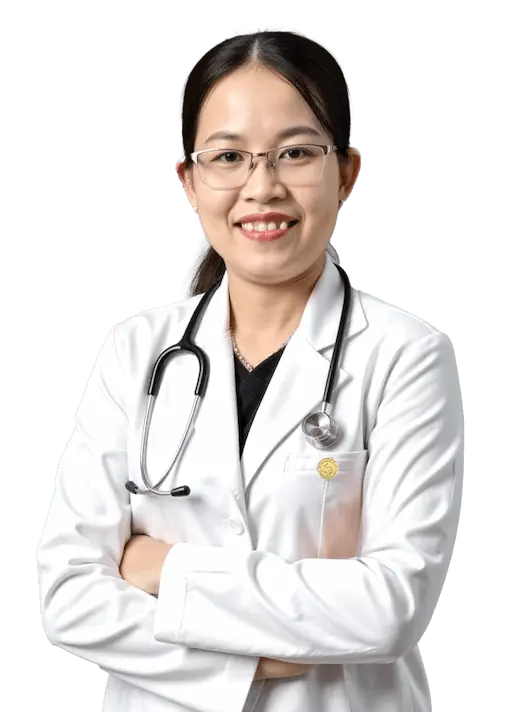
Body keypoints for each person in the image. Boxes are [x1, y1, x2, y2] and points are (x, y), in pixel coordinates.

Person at [35, 26, 466, 712]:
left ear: (346, 172)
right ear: (189, 180)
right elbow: (68, 596)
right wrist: (249, 665)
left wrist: (163, 567)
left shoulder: (406, 357)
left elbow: (391, 607)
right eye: (229, 156)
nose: (262, 187)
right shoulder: (135, 351)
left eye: (296, 153)